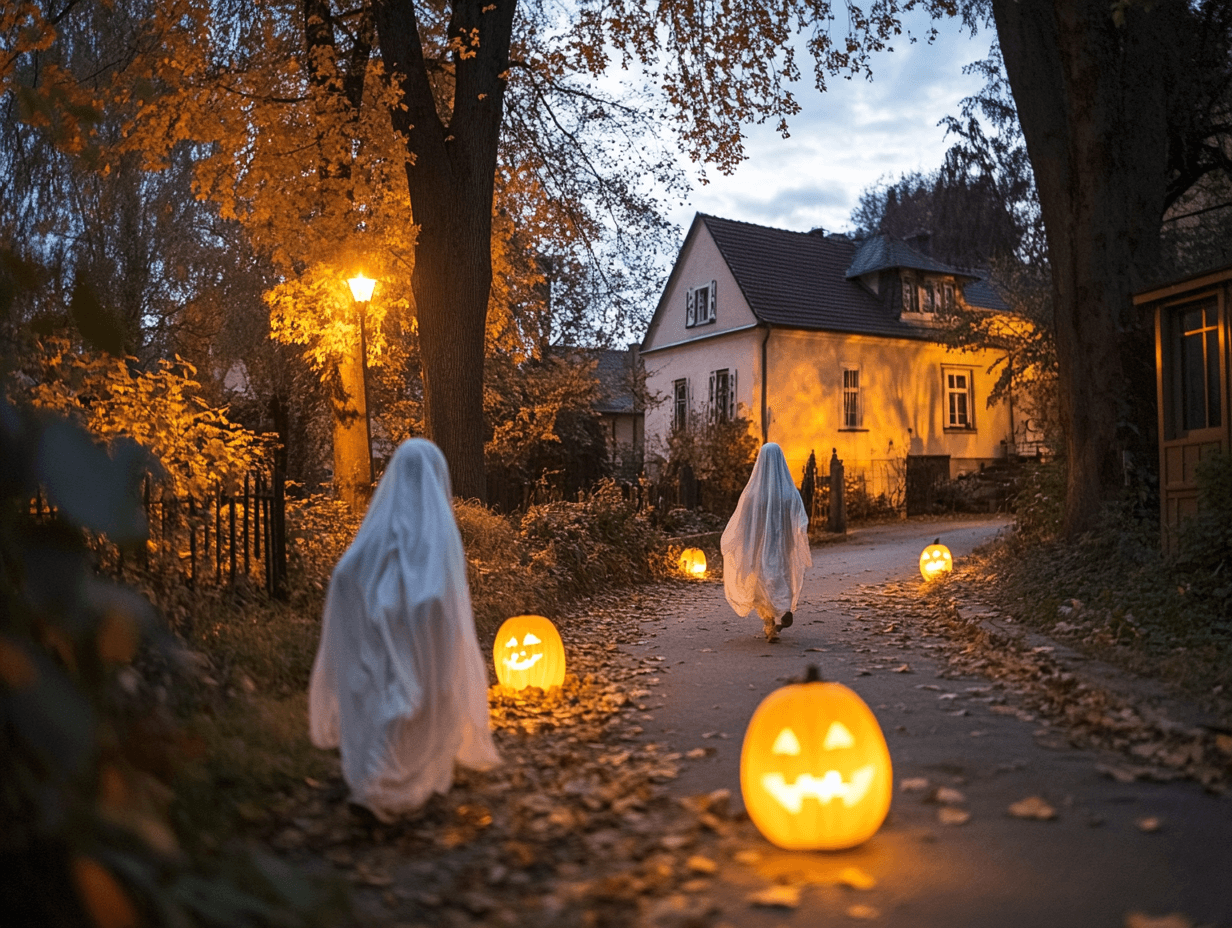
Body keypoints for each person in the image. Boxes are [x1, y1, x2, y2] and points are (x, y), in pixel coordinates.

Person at [308, 438, 500, 821]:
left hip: (383, 637)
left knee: (389, 701)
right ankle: (381, 785)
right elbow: (439, 595)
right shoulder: (434, 532)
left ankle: (375, 783)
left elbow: (349, 573)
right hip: (407, 634)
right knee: (405, 701)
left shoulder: (392, 529)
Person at [721, 442, 813, 643]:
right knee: (781, 575)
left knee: (762, 580)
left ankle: (770, 621)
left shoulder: (752, 495)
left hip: (758, 548)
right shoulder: (790, 493)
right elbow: (801, 520)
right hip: (783, 546)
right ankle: (783, 609)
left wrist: (742, 545)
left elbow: (741, 523)